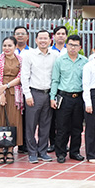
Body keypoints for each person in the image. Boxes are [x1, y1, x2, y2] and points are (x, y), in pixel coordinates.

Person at [20, 29, 57, 164]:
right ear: (36, 40)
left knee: (45, 125)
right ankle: (32, 152)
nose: (43, 41)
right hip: (34, 93)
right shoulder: (29, 55)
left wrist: (53, 96)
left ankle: (43, 151)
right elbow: (24, 76)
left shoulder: (54, 56)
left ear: (50, 40)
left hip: (48, 94)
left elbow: (56, 76)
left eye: (45, 38)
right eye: (40, 38)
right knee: (31, 125)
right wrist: (27, 94)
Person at [0, 37, 24, 164]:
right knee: (0, 120)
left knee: (13, 121)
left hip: (14, 93)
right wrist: (1, 92)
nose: (7, 48)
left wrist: (7, 86)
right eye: (5, 45)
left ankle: (10, 150)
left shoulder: (20, 60)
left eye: (10, 45)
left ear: (15, 46)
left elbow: (21, 76)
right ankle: (0, 151)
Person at [51, 35, 87, 163]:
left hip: (79, 98)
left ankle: (74, 152)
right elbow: (55, 80)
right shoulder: (60, 61)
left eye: (76, 45)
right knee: (62, 127)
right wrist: (52, 97)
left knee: (77, 127)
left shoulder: (84, 61)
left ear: (80, 47)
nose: (73, 48)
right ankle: (60, 153)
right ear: (66, 45)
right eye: (71, 45)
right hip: (64, 97)